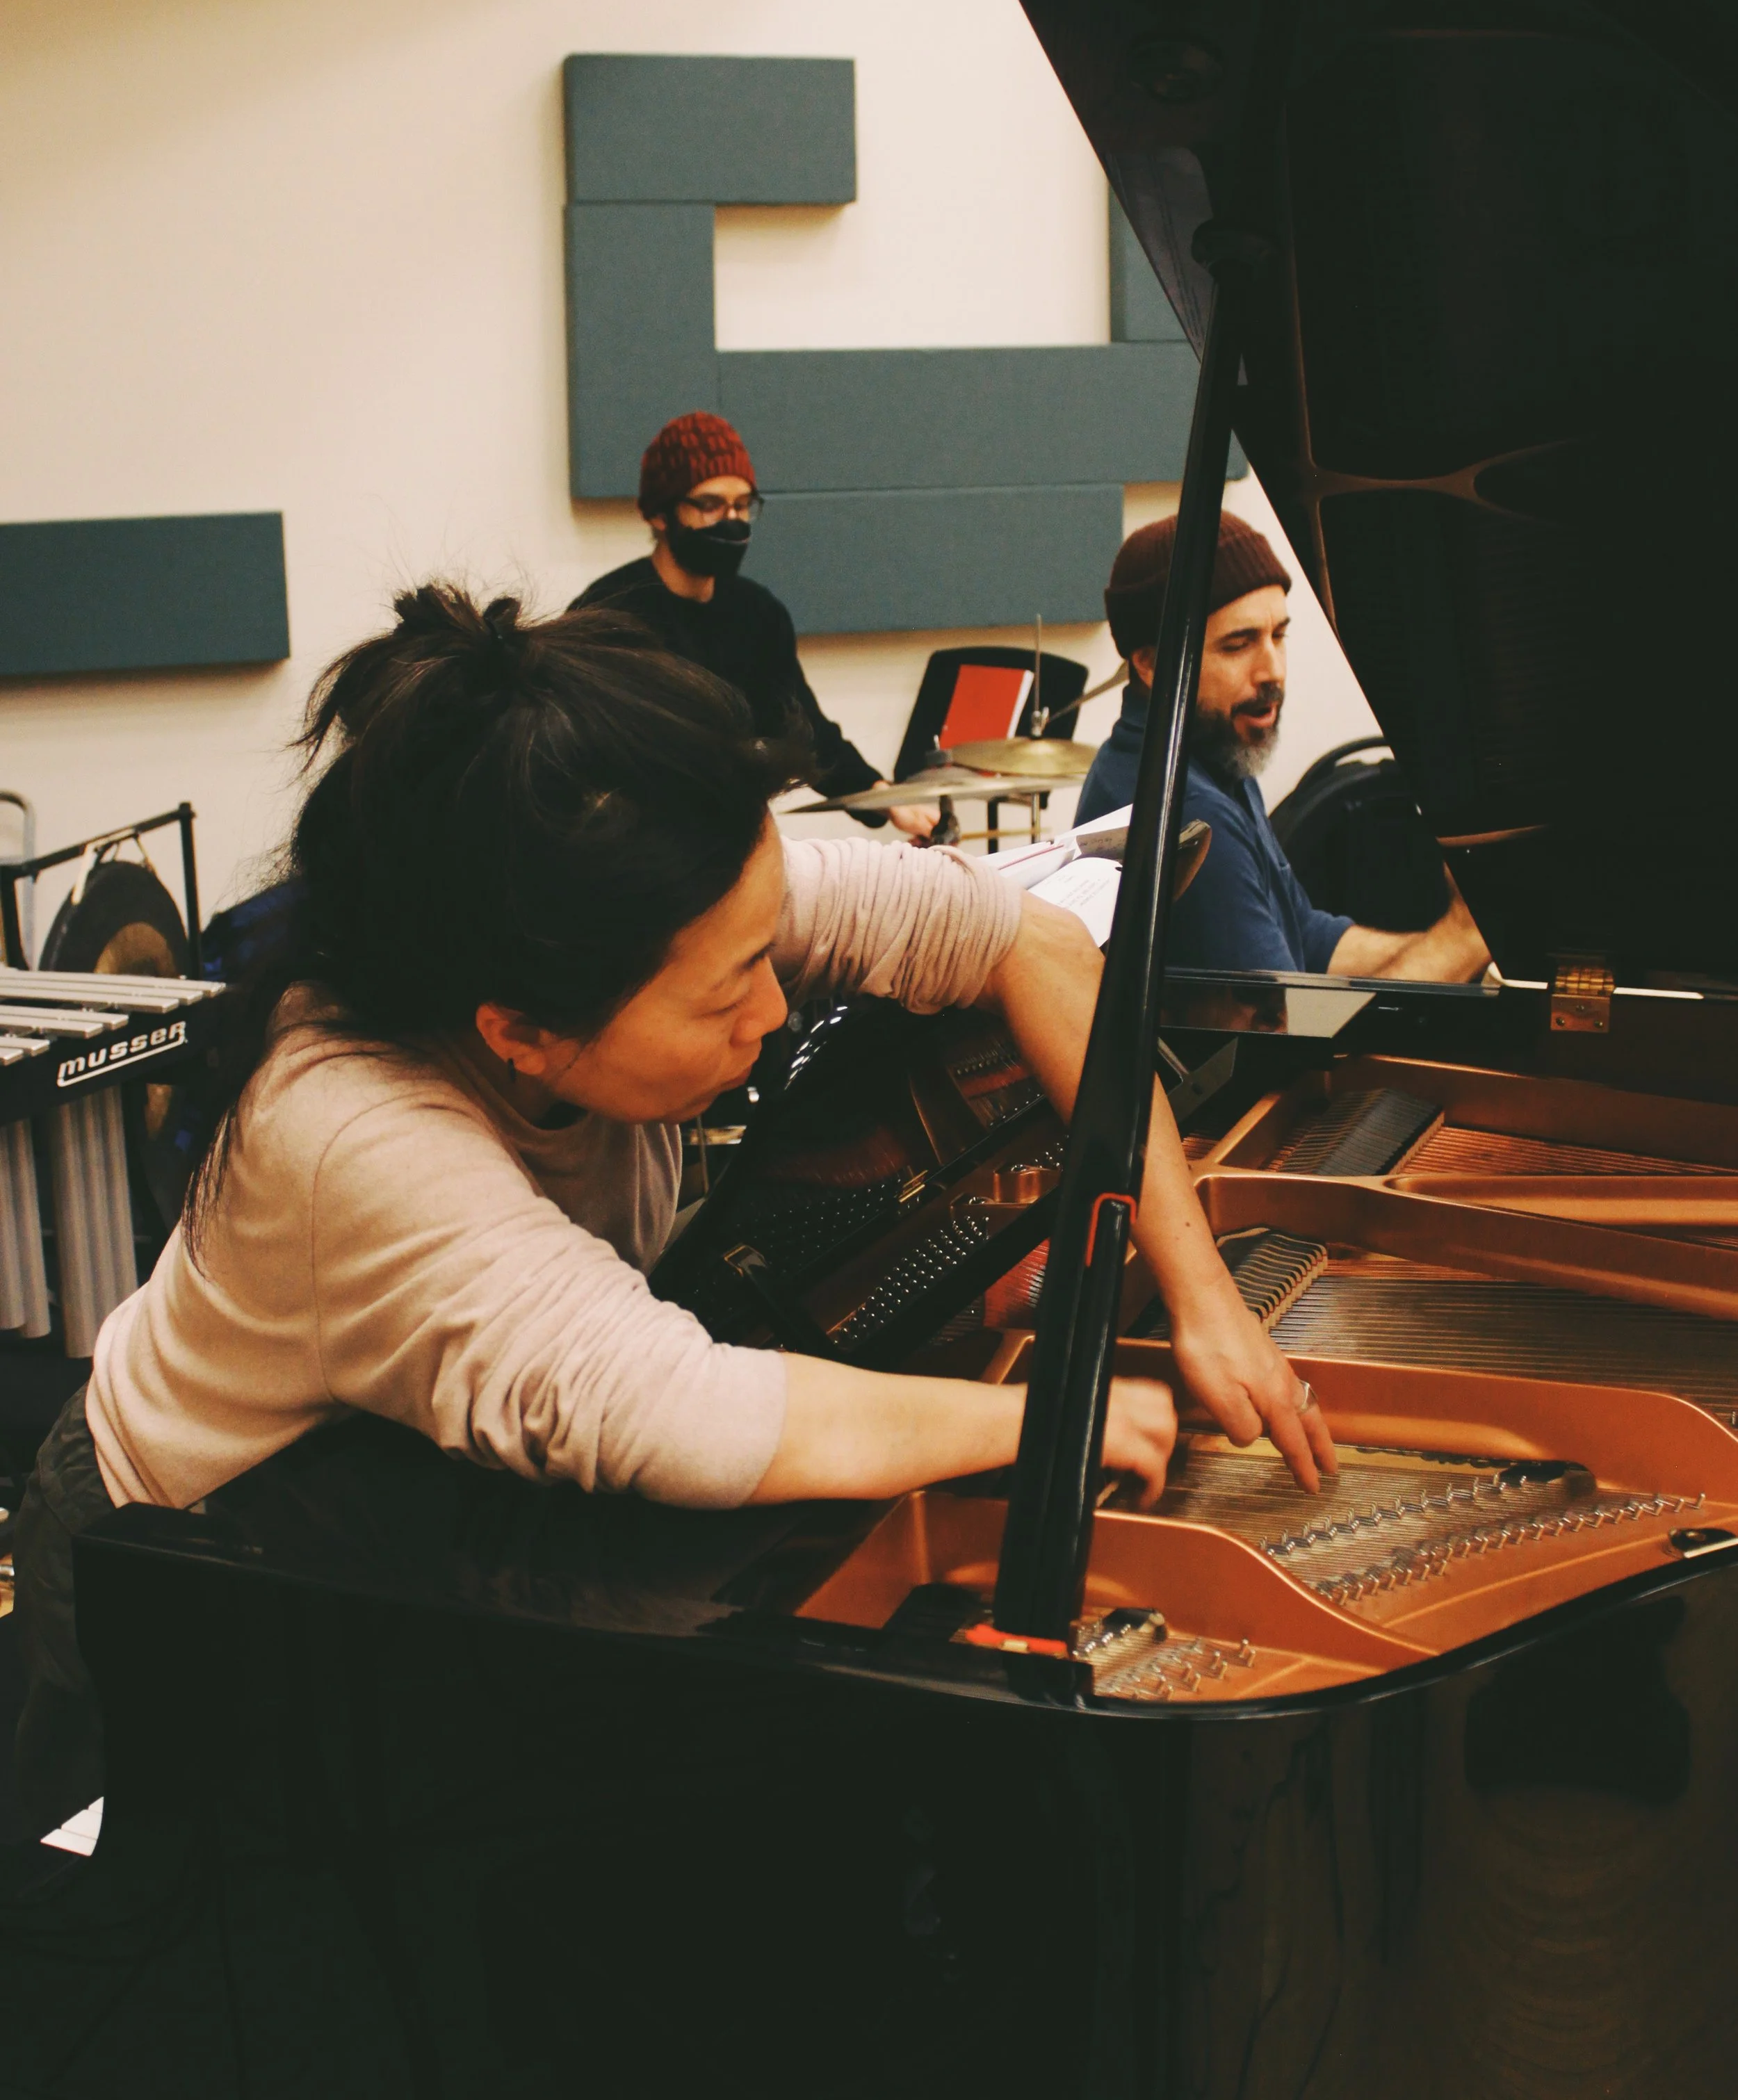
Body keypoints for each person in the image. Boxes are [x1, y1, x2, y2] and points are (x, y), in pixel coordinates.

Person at [13, 585, 1335, 1834]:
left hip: (402, 1503)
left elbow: (1032, 947)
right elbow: (690, 1412)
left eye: (768, 954)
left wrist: (1207, 1300)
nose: (773, 1010)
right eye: (729, 996)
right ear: (518, 1031)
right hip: (184, 1552)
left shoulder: (663, 908)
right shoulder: (349, 1134)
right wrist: (1059, 1413)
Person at [1076, 514, 1489, 982]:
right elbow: (1284, 1033)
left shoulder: (1210, 754)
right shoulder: (1190, 815)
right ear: (1152, 663)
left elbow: (1307, 937)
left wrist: (1448, 942)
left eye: (1279, 635)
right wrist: (1468, 936)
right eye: (1238, 645)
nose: (1271, 671)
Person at [574, 411, 940, 839]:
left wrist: (884, 798)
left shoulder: (757, 614)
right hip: (635, 850)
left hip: (732, 843)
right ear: (659, 514)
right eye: (710, 505)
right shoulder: (606, 616)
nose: (732, 520)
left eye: (743, 505)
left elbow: (802, 730)